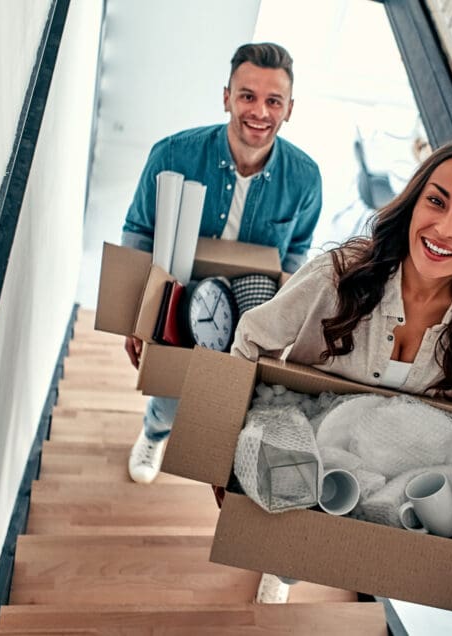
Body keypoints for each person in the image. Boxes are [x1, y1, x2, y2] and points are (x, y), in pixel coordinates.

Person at [230, 138, 452, 602]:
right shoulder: (335, 276)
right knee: (289, 546)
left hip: (397, 478)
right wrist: (222, 443)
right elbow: (251, 340)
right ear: (413, 200)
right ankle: (283, 566)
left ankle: (306, 565)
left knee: (362, 554)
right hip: (308, 452)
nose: (445, 228)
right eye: (436, 201)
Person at [121, 42, 322, 488]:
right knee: (170, 393)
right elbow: (137, 232)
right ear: (226, 96)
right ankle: (155, 434)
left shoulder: (306, 178)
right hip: (177, 293)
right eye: (247, 96)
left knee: (226, 399)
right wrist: (135, 318)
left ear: (289, 109)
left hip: (249, 311)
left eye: (274, 101)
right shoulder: (172, 155)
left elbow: (296, 252)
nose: (260, 111)